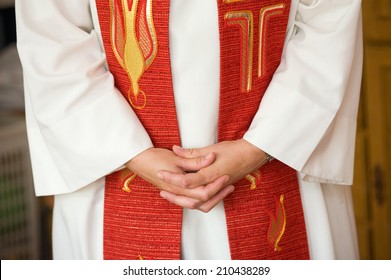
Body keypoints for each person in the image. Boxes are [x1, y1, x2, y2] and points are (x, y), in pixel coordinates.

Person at [15, 0, 363, 260]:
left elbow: (329, 19)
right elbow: (51, 33)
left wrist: (262, 145)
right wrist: (130, 152)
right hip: (117, 168)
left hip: (282, 153)